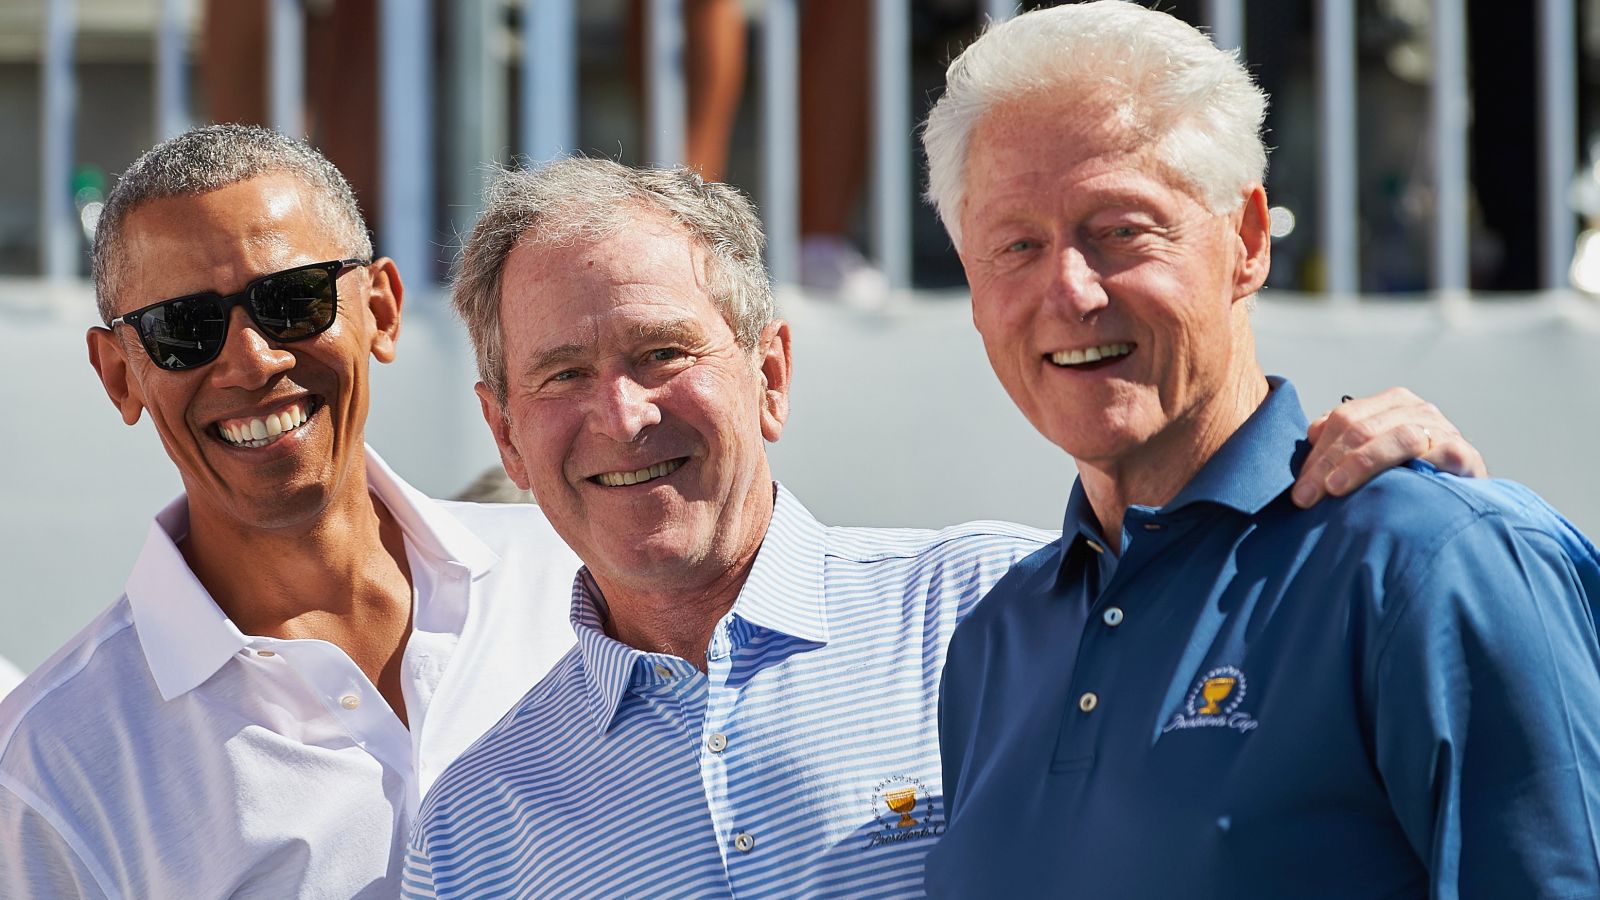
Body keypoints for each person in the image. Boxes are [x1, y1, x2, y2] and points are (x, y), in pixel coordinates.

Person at [400, 157, 1486, 898]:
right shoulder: (472, 830)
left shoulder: (996, 609)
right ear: (502, 427)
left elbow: (1277, 716)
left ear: (769, 373)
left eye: (661, 354)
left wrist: (1386, 478)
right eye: (561, 375)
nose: (621, 415)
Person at [918, 4, 1600, 897]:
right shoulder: (994, 642)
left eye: (1120, 229)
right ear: (972, 284)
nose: (1071, 291)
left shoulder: (1434, 561)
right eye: (1016, 245)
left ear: (1245, 241)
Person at [0, 125, 579, 898]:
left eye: (292, 299)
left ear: (381, 308)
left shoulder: (576, 581)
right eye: (183, 330)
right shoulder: (53, 766)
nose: (253, 360)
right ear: (119, 376)